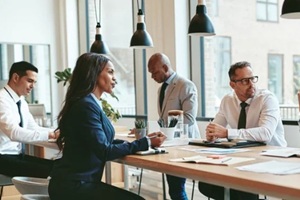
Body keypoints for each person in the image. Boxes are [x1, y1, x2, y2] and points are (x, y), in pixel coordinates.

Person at [48, 53, 166, 200]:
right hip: (74, 186)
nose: (115, 78)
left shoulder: (89, 103)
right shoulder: (86, 106)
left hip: (77, 182)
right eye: (110, 72)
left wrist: (140, 142)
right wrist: (145, 143)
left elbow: (101, 143)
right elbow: (104, 150)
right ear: (94, 74)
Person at [199, 61, 287, 200]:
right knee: (206, 183)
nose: (252, 84)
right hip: (244, 155)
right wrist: (212, 134)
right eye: (245, 81)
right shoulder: (227, 100)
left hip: (272, 156)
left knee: (242, 189)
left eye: (253, 79)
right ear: (232, 84)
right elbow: (214, 127)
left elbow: (265, 133)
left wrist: (227, 133)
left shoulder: (267, 99)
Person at [147, 53, 200, 200]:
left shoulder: (186, 85)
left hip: (184, 145)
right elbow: (163, 119)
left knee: (177, 190)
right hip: (169, 146)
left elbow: (189, 119)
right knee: (174, 190)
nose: (152, 77)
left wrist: (167, 130)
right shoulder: (161, 89)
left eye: (155, 72)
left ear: (165, 67)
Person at [0, 61, 59, 178]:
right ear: (16, 77)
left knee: (57, 166)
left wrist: (57, 133)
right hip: (2, 157)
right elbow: (14, 133)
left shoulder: (21, 102)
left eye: (35, 82)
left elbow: (34, 128)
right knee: (52, 171)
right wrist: (50, 134)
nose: (33, 86)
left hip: (15, 155)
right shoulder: (2, 100)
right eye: (30, 81)